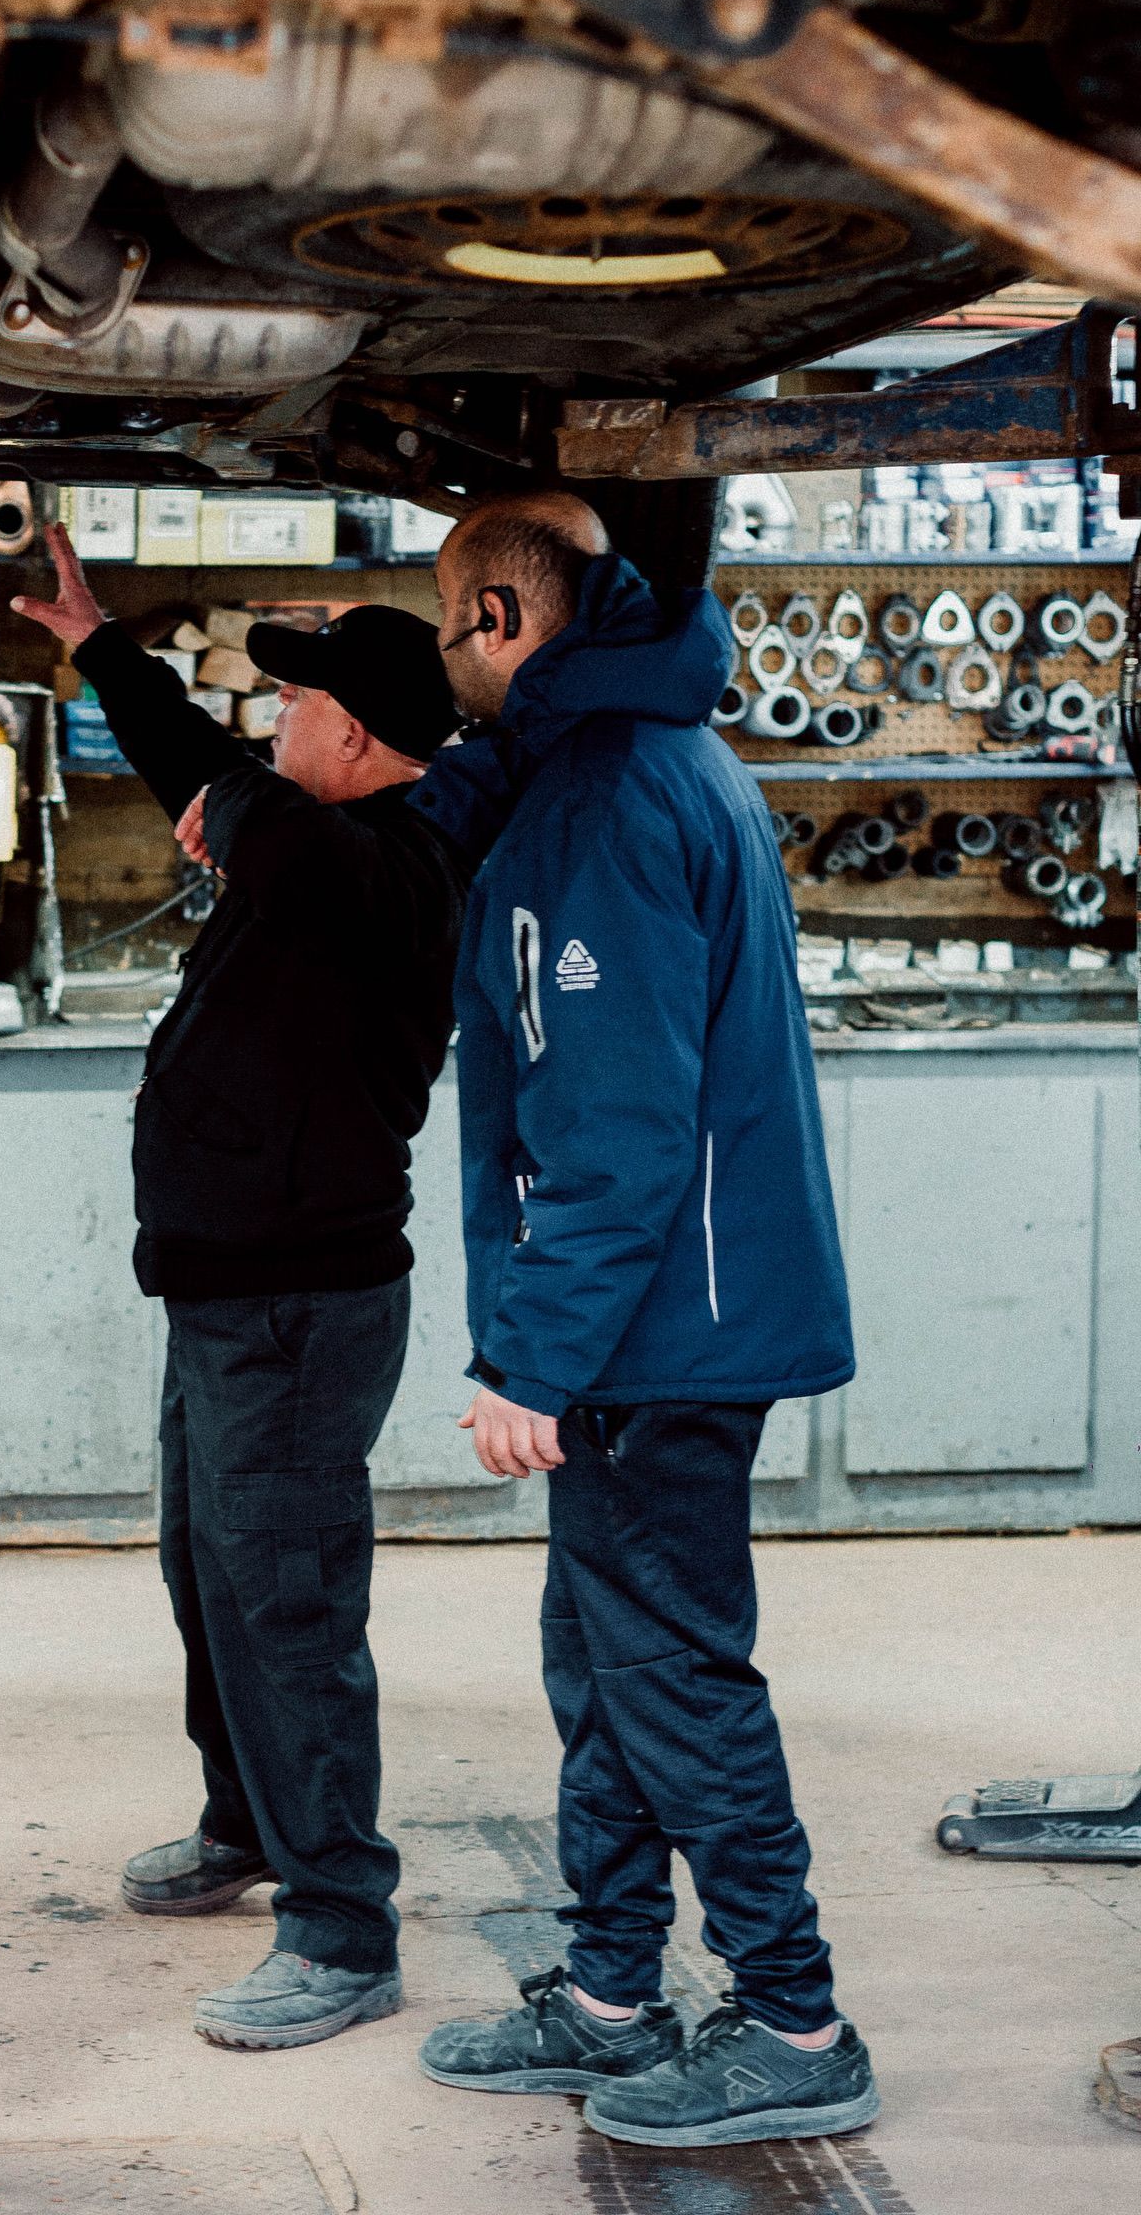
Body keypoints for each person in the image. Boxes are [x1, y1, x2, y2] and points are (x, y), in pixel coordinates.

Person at [409, 495, 878, 2149]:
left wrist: (535, 1353)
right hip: (666, 1314)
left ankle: (796, 2019)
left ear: (501, 625)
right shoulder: (628, 760)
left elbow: (611, 1118)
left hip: (654, 1332)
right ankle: (613, 1991)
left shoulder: (603, 805)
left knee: (671, 1668)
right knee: (599, 1657)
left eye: (450, 623)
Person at [12, 528, 466, 2051]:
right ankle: (249, 1823)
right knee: (211, 1580)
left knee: (286, 1607)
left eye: (295, 710)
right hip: (226, 1300)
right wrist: (100, 648)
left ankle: (341, 1931)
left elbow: (233, 796)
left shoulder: (377, 865)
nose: (273, 727)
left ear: (347, 734)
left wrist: (205, 764)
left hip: (294, 1312)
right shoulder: (308, 845)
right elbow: (213, 780)